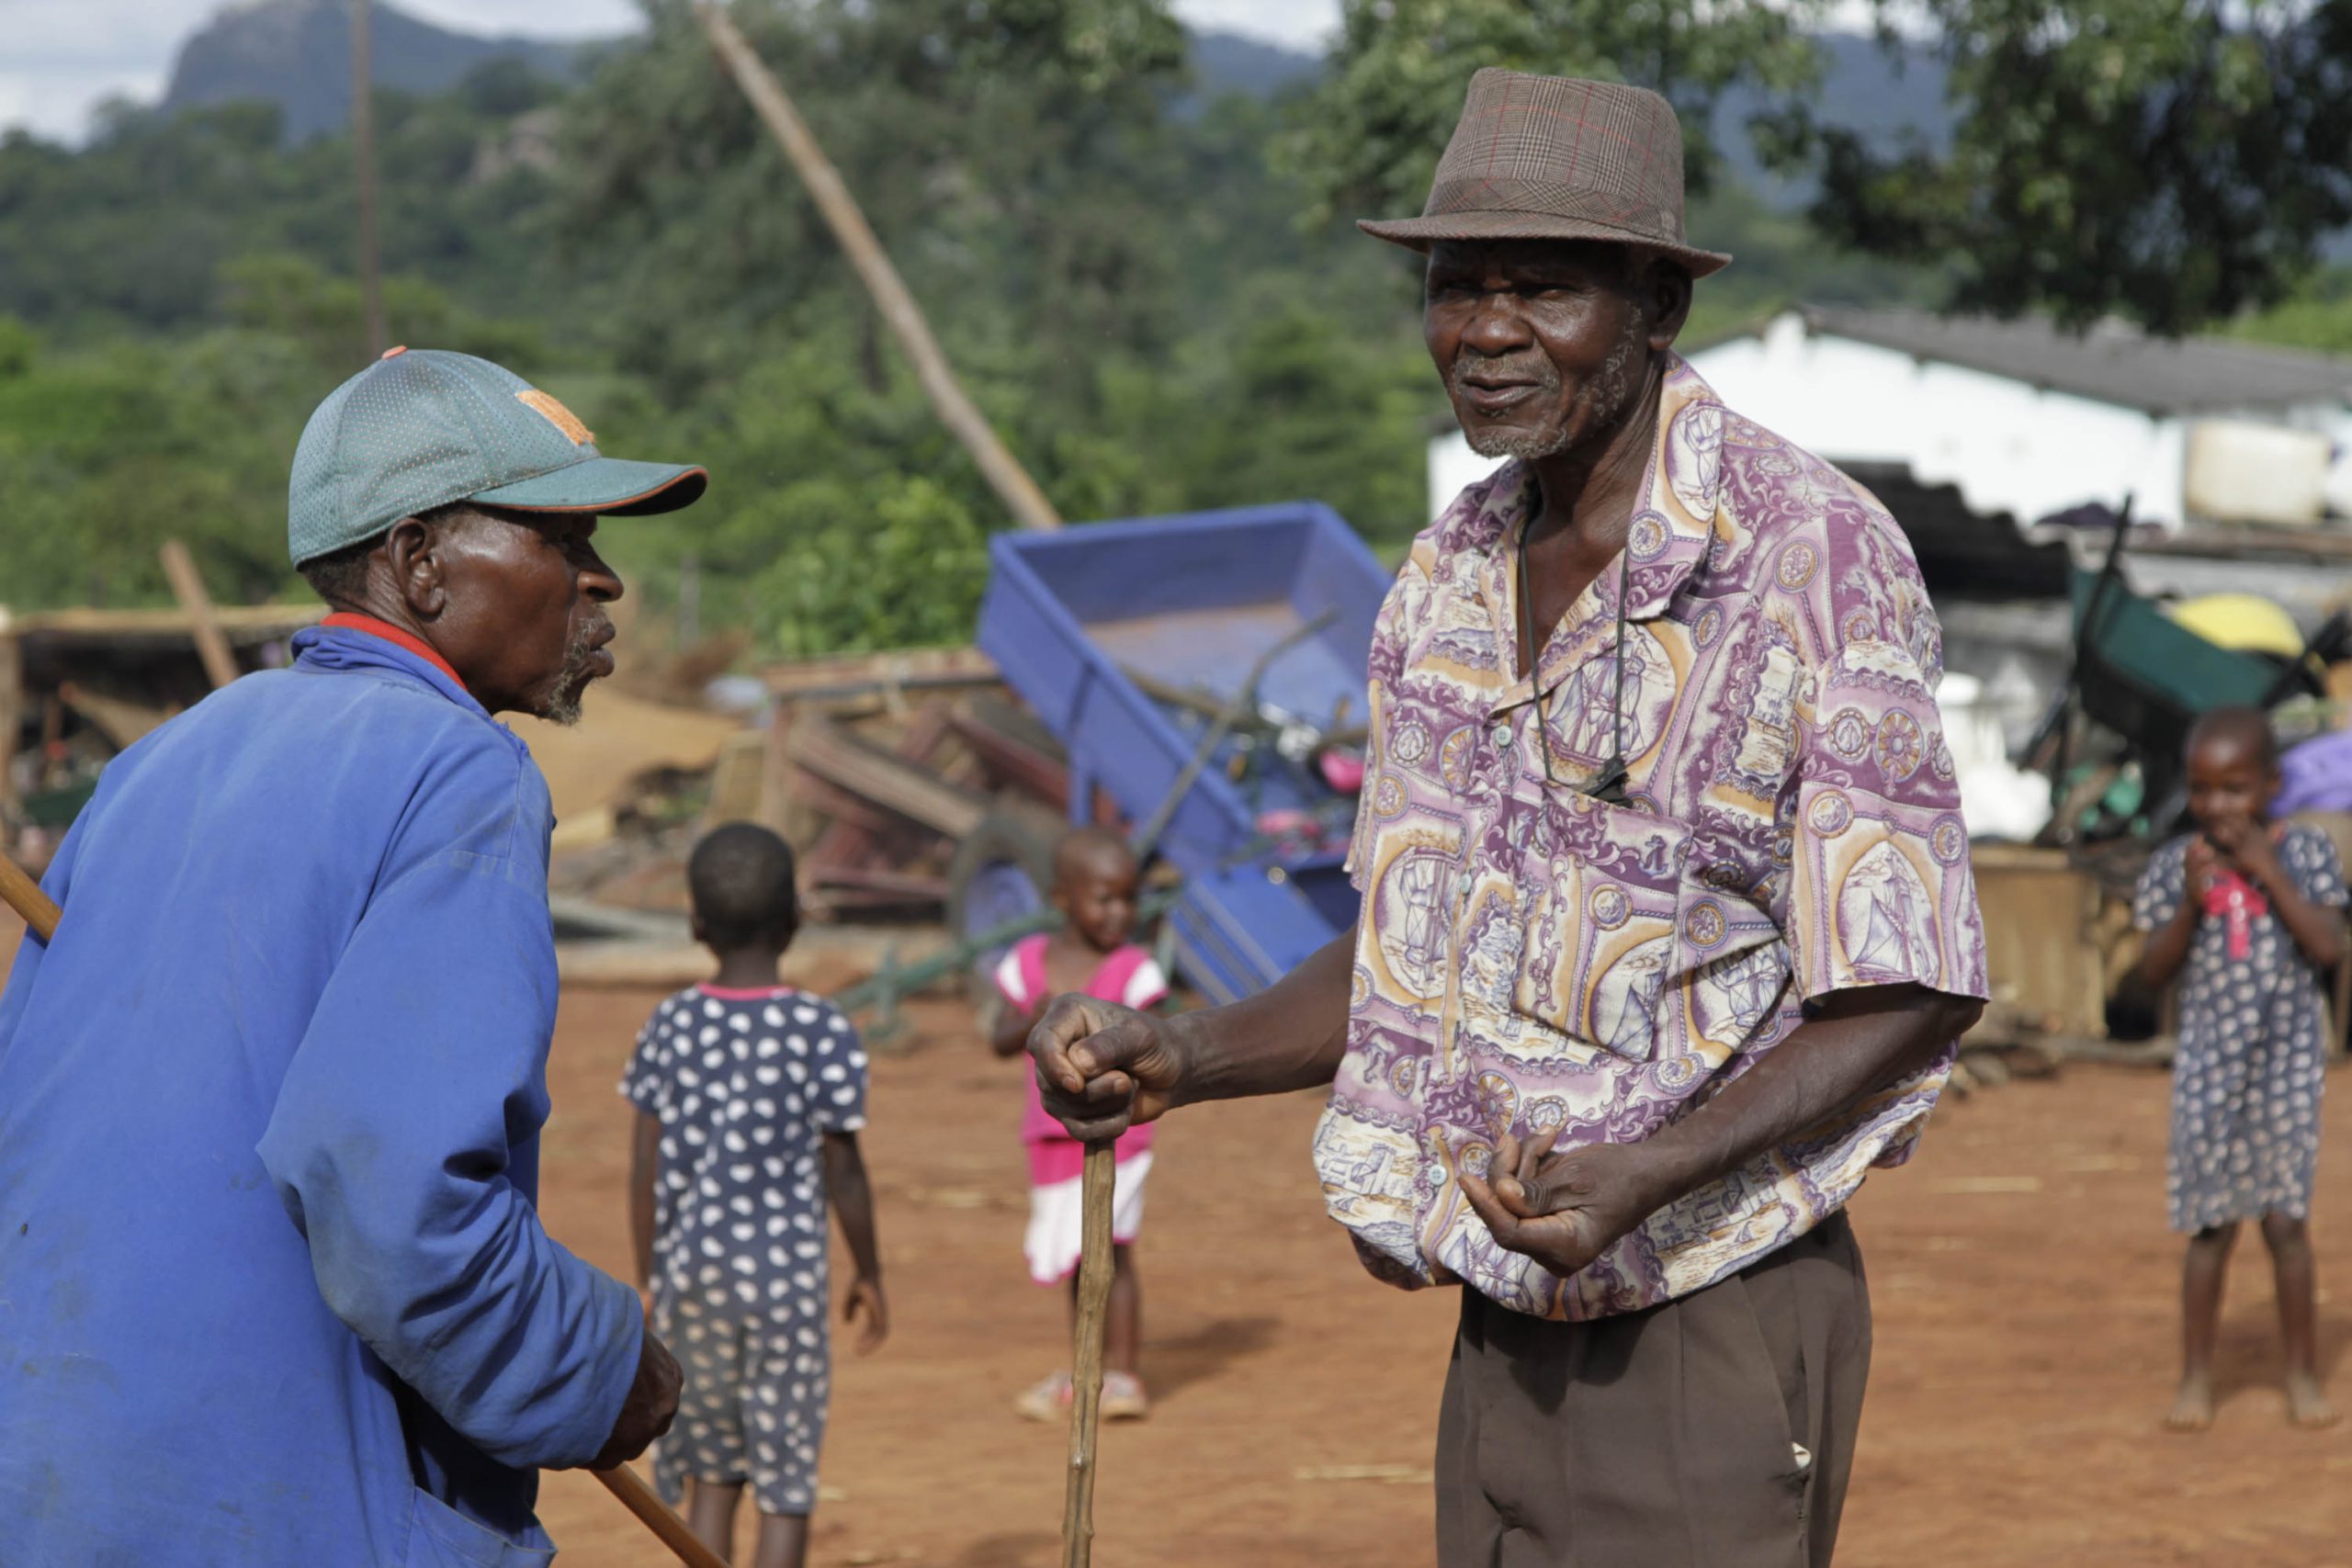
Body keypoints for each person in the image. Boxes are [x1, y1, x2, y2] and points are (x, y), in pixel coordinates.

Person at [1029, 72, 1988, 1567]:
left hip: (1704, 1306)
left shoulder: (1812, 556)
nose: (1483, 333)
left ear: (1657, 303)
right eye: (1454, 288)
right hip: (1502, 1305)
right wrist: (1191, 1053)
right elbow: (1421, 947)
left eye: (1542, 289)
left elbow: (1912, 981)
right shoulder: (1454, 572)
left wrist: (1648, 1170)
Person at [0, 347, 706, 1561]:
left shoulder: (161, 761)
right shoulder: (461, 771)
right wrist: (602, 1370)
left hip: (58, 1484)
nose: (603, 580)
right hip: (280, 1509)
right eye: (561, 536)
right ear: (421, 563)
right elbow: (399, 1208)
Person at [624, 822, 888, 1567]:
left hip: (693, 1285)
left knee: (712, 1474)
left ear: (696, 924)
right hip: (787, 1293)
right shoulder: (821, 1027)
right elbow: (845, 1172)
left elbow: (643, 1166)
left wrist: (649, 1277)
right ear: (795, 921)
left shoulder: (669, 1025)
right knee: (786, 1483)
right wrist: (869, 1271)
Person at [2133, 707, 2343, 1432]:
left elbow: (2327, 946)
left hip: (2285, 1070)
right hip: (2207, 1074)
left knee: (2286, 1224)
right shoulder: (2176, 865)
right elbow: (2151, 971)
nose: (2219, 805)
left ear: (2271, 785)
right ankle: (2197, 1376)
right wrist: (2191, 905)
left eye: (2235, 787)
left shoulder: (2307, 853)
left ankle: (2301, 1372)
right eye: (2203, 788)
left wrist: (2266, 869)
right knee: (2211, 1227)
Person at [989, 827, 1168, 1423]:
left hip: (1121, 1132)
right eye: (1103, 897)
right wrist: (1037, 1015)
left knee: (1111, 1249)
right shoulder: (1029, 964)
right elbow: (999, 1036)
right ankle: (1086, 1364)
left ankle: (1121, 1373)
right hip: (1051, 1133)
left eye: (1128, 897)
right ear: (1062, 896)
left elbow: (1161, 1044)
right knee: (1075, 1253)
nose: (1120, 911)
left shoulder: (1134, 971)